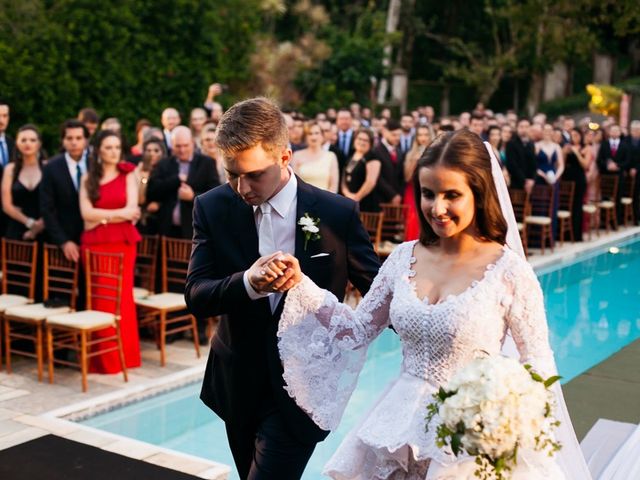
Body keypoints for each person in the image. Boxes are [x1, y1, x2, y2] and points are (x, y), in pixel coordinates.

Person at [274, 129, 591, 479]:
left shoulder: (510, 272)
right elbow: (357, 330)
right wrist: (301, 285)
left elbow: (537, 365)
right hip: (396, 427)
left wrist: (510, 420)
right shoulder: (401, 258)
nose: (437, 209)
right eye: (428, 194)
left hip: (469, 442)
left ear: (479, 192)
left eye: (451, 195)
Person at [185, 97, 380, 480]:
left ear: (285, 156)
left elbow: (378, 294)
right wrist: (247, 283)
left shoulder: (337, 214)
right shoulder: (212, 207)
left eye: (254, 174)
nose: (242, 187)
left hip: (303, 389)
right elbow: (197, 295)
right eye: (232, 174)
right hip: (238, 382)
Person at [79, 130, 142, 374]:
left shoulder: (128, 173)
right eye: (108, 147)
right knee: (98, 298)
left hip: (122, 244)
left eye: (117, 146)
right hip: (93, 245)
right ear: (98, 151)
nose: (114, 151)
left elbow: (132, 210)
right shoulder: (88, 178)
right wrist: (115, 217)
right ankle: (100, 361)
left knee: (121, 299)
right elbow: (85, 215)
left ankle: (123, 359)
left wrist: (101, 218)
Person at [146, 126, 219, 239]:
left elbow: (215, 196)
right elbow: (152, 191)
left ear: (193, 143)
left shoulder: (206, 163)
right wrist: (175, 180)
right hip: (167, 231)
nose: (182, 150)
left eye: (185, 145)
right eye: (178, 146)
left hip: (195, 231)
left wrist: (192, 196)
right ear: (171, 145)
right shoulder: (164, 164)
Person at [40, 119, 90, 263]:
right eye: (69, 138)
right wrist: (63, 241)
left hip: (92, 237)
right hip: (62, 242)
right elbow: (47, 208)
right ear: (63, 141)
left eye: (78, 138)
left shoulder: (95, 164)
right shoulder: (51, 167)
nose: (74, 142)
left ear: (86, 140)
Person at [2, 125, 45, 241]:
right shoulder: (10, 169)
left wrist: (39, 226)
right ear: (16, 143)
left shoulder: (48, 167)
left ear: (39, 143)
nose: (28, 143)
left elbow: (56, 202)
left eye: (32, 140)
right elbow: (6, 205)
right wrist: (30, 223)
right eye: (23, 140)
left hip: (45, 231)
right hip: (16, 230)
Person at [341, 128, 382, 212]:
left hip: (365, 204)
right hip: (349, 201)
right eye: (359, 139)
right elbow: (344, 177)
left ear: (370, 143)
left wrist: (356, 198)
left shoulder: (372, 157)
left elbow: (370, 182)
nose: (362, 142)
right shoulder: (352, 154)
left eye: (365, 140)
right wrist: (346, 194)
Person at [402, 125, 432, 240]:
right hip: (412, 190)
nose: (423, 138)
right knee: (412, 221)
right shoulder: (411, 154)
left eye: (426, 134)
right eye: (420, 135)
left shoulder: (436, 153)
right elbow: (407, 177)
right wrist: (415, 161)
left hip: (429, 190)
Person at [292, 122, 339, 193]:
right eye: (310, 134)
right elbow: (295, 184)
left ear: (322, 136)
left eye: (316, 133)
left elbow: (334, 185)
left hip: (326, 200)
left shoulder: (331, 156)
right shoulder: (297, 155)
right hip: (304, 199)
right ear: (305, 137)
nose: (313, 137)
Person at [561, 128, 589, 241]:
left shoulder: (586, 148)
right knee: (568, 205)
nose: (574, 137)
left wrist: (577, 152)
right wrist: (564, 152)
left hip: (579, 180)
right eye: (572, 135)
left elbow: (585, 165)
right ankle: (567, 235)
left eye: (576, 135)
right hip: (568, 179)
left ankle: (577, 235)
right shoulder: (567, 147)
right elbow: (561, 163)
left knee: (577, 206)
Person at [135, 137, 166, 234]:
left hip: (162, 220)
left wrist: (159, 204)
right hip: (141, 217)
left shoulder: (168, 169)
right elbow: (140, 199)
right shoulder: (138, 169)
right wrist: (143, 179)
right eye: (148, 150)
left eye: (156, 150)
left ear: (163, 152)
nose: (152, 154)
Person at [372, 119, 404, 206]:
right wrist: (392, 195)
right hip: (380, 199)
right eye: (394, 135)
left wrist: (399, 195)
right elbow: (377, 177)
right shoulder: (375, 151)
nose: (397, 138)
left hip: (397, 201)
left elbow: (401, 176)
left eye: (399, 135)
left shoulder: (399, 151)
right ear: (384, 132)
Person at [505, 118, 537, 194]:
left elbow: (533, 164)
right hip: (515, 183)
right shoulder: (511, 143)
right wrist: (524, 181)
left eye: (526, 127)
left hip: (530, 184)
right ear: (517, 128)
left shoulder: (531, 144)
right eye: (521, 127)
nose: (524, 129)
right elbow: (511, 165)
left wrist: (532, 179)